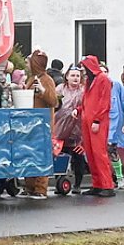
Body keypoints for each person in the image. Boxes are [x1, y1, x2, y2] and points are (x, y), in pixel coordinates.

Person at [19, 50, 61, 198]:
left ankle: (40, 188)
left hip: (42, 124)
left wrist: (43, 91)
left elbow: (53, 101)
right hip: (31, 124)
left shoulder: (47, 79)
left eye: (29, 61)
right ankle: (29, 186)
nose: (27, 64)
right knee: (29, 155)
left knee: (41, 155)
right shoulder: (32, 78)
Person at [79, 56, 116, 195]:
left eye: (84, 66)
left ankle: (107, 185)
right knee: (90, 153)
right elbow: (87, 101)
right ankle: (98, 184)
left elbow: (104, 102)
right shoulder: (90, 80)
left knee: (99, 153)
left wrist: (97, 120)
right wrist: (79, 110)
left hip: (96, 122)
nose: (83, 70)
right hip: (88, 120)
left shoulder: (103, 79)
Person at [53, 66, 85, 194]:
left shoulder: (83, 90)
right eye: (73, 75)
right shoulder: (60, 89)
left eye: (77, 76)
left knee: (78, 157)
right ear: (67, 76)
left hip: (77, 128)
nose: (75, 78)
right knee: (59, 156)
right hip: (60, 127)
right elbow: (54, 103)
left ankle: (77, 184)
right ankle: (59, 182)